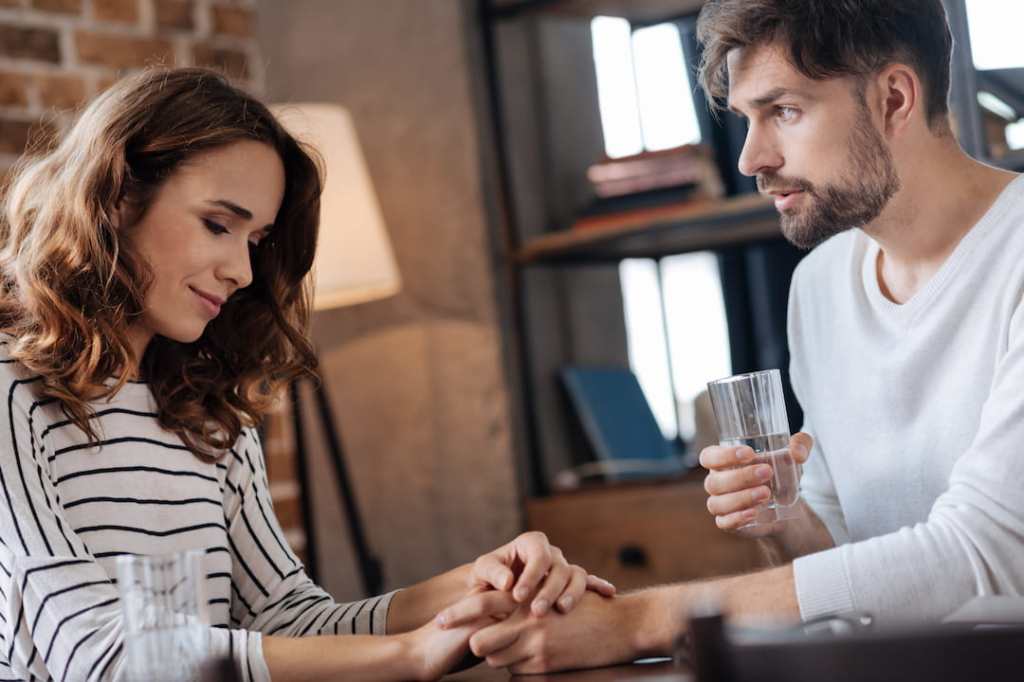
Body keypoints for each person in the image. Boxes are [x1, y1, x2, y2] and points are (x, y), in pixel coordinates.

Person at [441, 0, 1024, 673]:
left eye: (783, 111)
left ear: (894, 97)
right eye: (747, 118)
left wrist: (642, 619)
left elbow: (982, 557)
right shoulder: (821, 285)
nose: (751, 157)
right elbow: (844, 572)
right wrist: (786, 519)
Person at [0, 67, 615, 681]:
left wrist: (476, 587)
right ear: (118, 196)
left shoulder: (206, 412)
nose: (242, 270)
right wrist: (410, 654)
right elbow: (93, 652)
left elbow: (286, 618)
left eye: (256, 239)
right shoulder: (12, 388)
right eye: (217, 224)